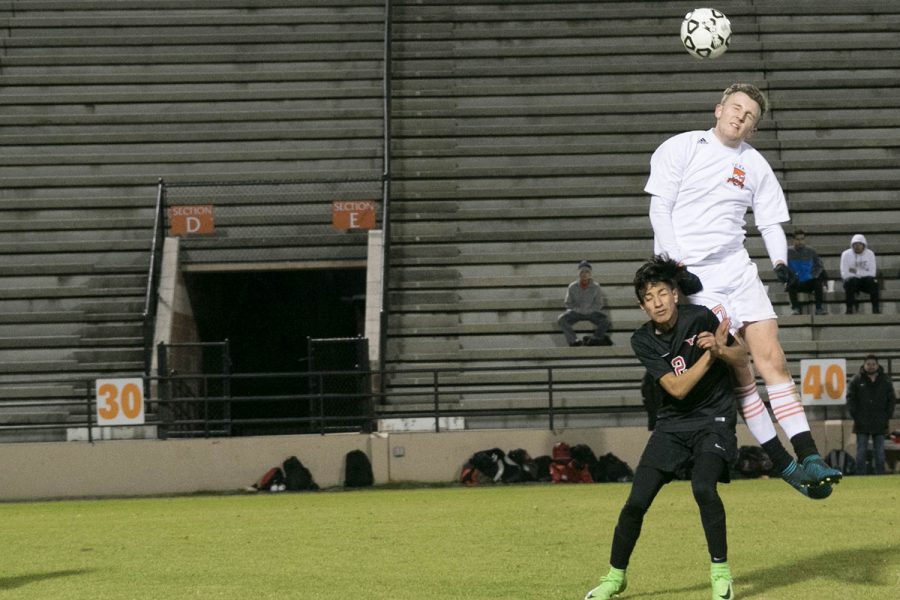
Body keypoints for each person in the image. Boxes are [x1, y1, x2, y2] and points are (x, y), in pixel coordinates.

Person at [643, 82, 842, 491]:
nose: (740, 116)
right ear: (718, 110)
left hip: (737, 268)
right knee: (740, 371)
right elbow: (659, 207)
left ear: (752, 128)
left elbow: (769, 221)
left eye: (749, 115)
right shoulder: (681, 148)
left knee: (774, 359)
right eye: (735, 108)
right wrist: (677, 265)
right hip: (695, 277)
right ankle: (785, 467)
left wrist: (781, 263)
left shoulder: (755, 164)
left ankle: (810, 456)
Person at [585, 257, 744, 600]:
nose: (657, 302)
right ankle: (614, 578)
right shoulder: (642, 340)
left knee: (704, 488)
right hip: (672, 425)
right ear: (641, 305)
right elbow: (677, 389)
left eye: (662, 293)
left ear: (675, 294)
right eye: (648, 297)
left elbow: (741, 356)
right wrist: (709, 356)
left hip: (714, 420)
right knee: (635, 503)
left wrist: (721, 347)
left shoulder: (700, 317)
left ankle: (721, 575)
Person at [847, 354, 896, 474]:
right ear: (864, 365)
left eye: (873, 364)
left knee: (880, 452)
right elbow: (850, 399)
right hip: (861, 423)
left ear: (877, 365)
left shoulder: (885, 380)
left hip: (880, 422)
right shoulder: (856, 380)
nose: (871, 366)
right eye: (868, 364)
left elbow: (892, 400)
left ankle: (880, 476)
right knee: (861, 452)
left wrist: (887, 416)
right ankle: (860, 477)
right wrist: (856, 416)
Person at [558, 260, 612, 346]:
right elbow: (568, 303)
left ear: (590, 274)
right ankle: (574, 340)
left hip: (591, 313)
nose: (584, 274)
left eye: (586, 271)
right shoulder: (572, 286)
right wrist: (576, 309)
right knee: (561, 319)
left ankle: (595, 338)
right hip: (576, 312)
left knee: (606, 321)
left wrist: (590, 310)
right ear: (578, 273)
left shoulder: (596, 287)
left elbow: (599, 303)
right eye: (582, 271)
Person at [786, 228, 826, 315]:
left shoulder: (811, 251)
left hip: (809, 281)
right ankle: (795, 308)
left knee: (818, 283)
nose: (800, 242)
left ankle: (819, 308)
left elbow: (819, 266)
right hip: (795, 281)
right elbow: (783, 267)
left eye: (802, 239)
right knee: (791, 282)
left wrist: (814, 275)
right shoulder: (787, 252)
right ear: (793, 240)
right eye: (798, 239)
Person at [840, 234, 880, 314]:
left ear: (863, 245)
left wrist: (854, 271)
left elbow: (872, 273)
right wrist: (862, 272)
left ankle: (875, 309)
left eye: (859, 244)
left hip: (865, 281)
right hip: (852, 281)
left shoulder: (870, 254)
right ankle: (849, 309)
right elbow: (844, 273)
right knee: (850, 282)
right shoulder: (845, 254)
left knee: (874, 283)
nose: (857, 247)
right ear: (852, 245)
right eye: (855, 244)